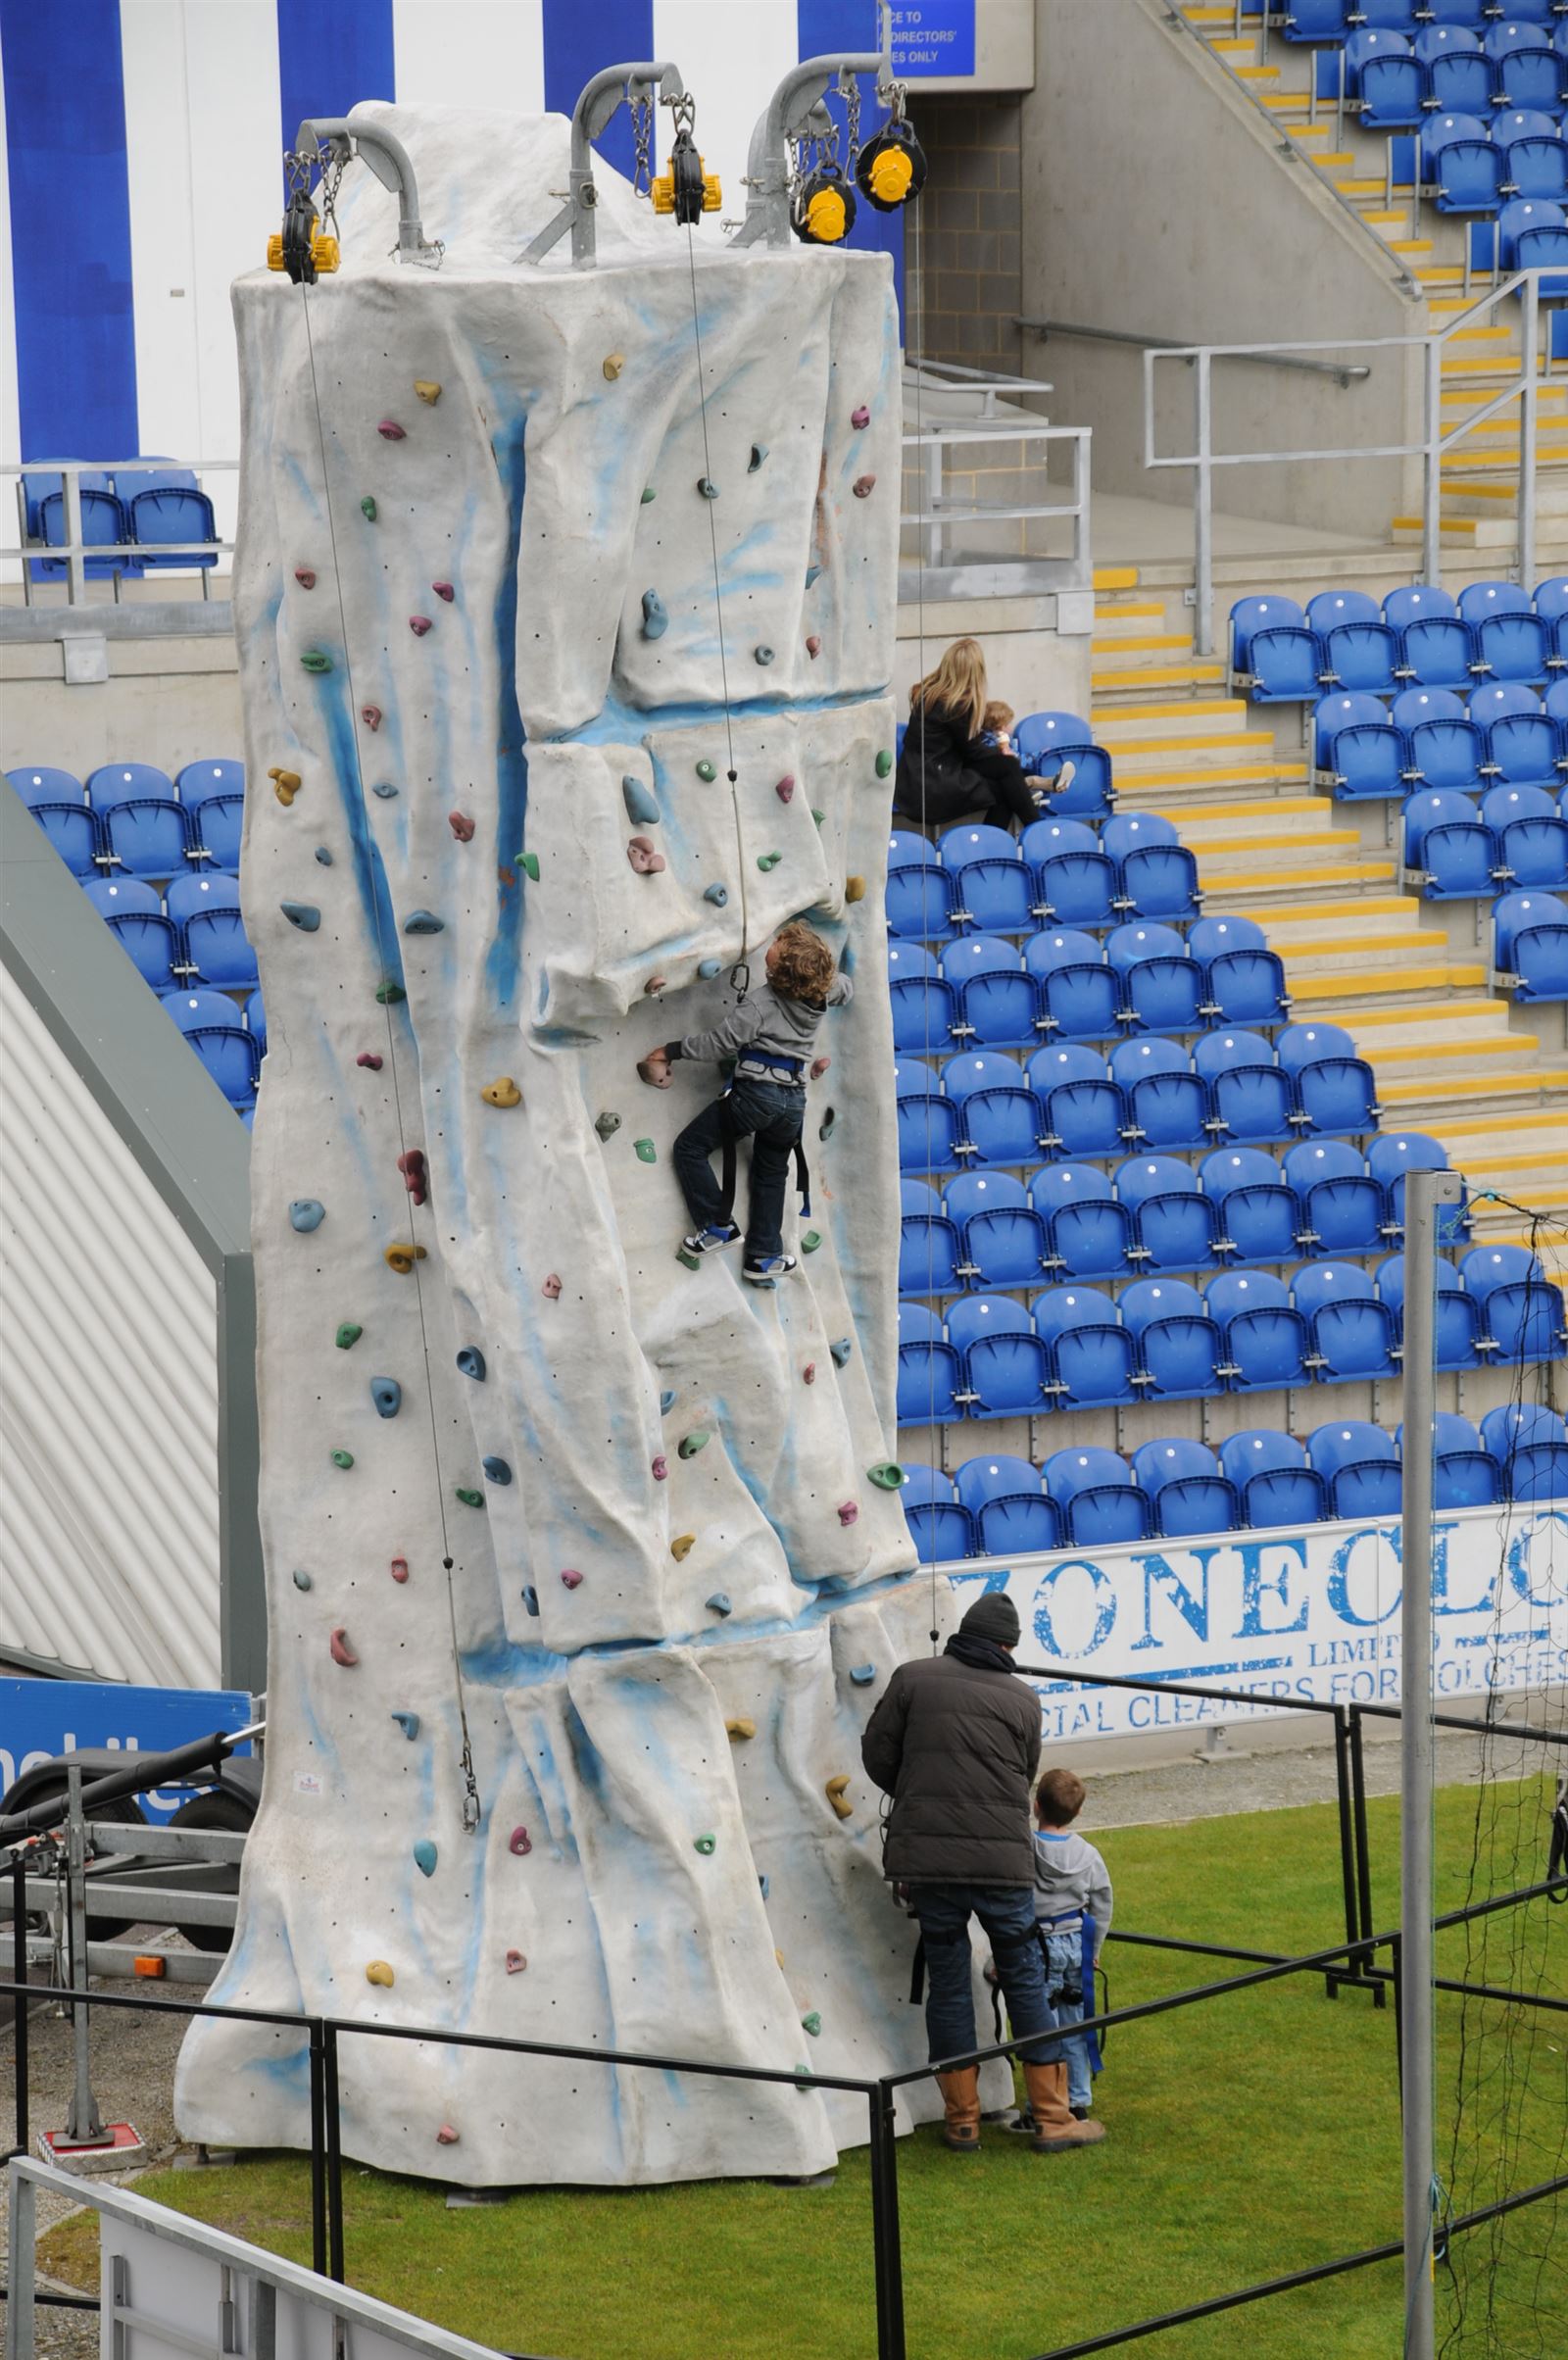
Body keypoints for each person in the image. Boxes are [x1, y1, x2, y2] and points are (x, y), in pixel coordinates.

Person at [859, 1592, 1105, 2154]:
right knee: (1024, 1976)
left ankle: (962, 2121)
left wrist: (919, 1794)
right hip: (1000, 1863)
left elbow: (877, 1754)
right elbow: (1025, 1772)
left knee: (948, 1981)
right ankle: (1052, 2117)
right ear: (1007, 1646)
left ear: (961, 1634)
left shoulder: (912, 1677)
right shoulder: (1024, 1699)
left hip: (930, 1862)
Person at [637, 921, 849, 1288]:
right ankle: (764, 1256)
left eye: (779, 945)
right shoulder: (824, 990)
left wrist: (671, 1050)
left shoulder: (760, 1004)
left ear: (777, 974)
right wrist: (829, 979)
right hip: (792, 1104)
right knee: (771, 1174)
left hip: (756, 1096)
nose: (775, 941)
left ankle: (716, 1225)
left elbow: (718, 1044)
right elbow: (847, 988)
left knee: (690, 1148)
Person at [891, 638, 1070, 835]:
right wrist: (1005, 754)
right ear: (976, 672)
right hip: (932, 789)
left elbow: (967, 750)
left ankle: (1001, 839)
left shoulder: (928, 692)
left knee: (1006, 782)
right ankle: (1035, 828)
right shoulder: (954, 705)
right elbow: (974, 752)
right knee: (1008, 774)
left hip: (919, 781)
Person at [1024, 1767, 1112, 2130]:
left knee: (1041, 2026)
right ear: (1077, 1813)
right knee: (1074, 2024)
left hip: (1037, 1947)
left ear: (1036, 1806)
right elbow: (1103, 1903)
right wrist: (1095, 1948)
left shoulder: (1024, 1849)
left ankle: (1043, 2104)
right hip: (1076, 1944)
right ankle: (1077, 2100)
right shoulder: (1089, 1855)